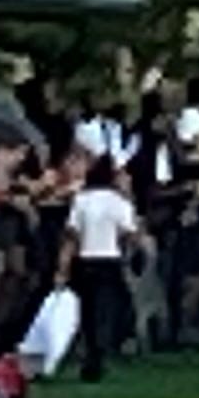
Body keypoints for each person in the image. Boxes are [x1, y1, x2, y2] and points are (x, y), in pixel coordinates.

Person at [64, 157, 140, 383]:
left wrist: (64, 264)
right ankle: (105, 351)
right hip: (109, 259)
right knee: (108, 309)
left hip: (86, 260)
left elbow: (72, 233)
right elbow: (130, 231)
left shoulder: (82, 200)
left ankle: (89, 354)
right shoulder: (118, 202)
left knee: (88, 312)